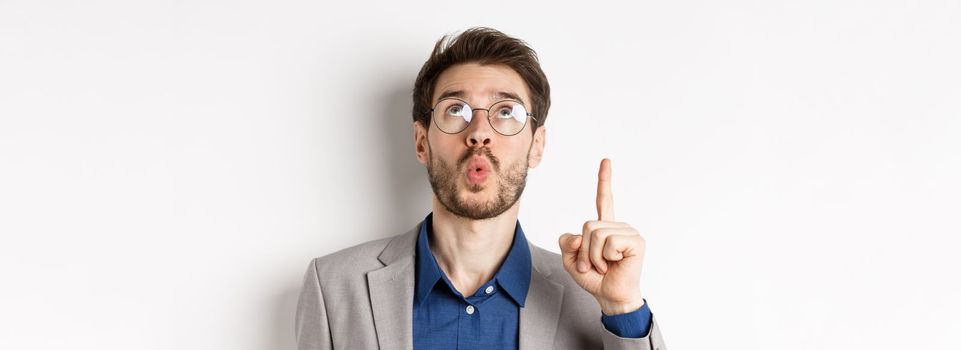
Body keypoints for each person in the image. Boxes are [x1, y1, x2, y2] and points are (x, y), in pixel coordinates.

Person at [295, 27, 667, 350]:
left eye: (506, 112)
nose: (479, 133)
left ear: (536, 145)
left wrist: (623, 308)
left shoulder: (593, 298)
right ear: (421, 141)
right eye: (456, 110)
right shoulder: (335, 286)